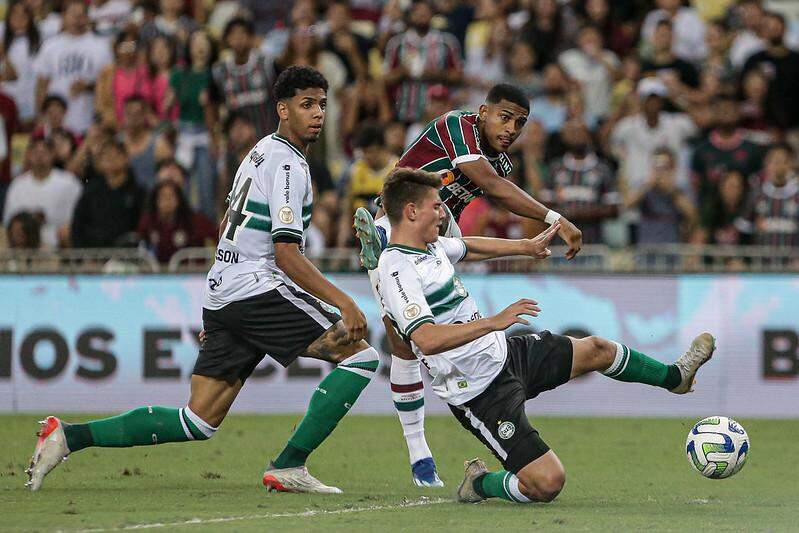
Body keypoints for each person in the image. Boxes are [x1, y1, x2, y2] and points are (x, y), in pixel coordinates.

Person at [27, 66, 380, 496]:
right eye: (307, 104)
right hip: (255, 286)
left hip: (225, 291)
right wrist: (345, 301)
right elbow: (287, 255)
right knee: (360, 358)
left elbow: (229, 224)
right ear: (282, 110)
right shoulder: (288, 164)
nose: (318, 114)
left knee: (197, 420)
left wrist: (225, 313)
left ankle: (68, 435)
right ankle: (289, 464)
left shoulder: (260, 152)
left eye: (322, 104)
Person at [375, 166, 715, 504]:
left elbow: (467, 247)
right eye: (436, 206)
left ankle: (675, 378)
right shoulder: (398, 269)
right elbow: (426, 339)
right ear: (411, 211)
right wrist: (493, 322)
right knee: (547, 483)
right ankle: (479, 484)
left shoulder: (431, 246)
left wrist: (525, 246)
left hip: (506, 355)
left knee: (597, 349)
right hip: (477, 392)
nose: (443, 212)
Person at [354, 83, 583, 487]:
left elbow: (492, 199)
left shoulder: (502, 163)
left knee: (411, 340)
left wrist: (526, 245)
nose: (511, 127)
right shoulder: (456, 126)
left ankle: (385, 244)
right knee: (404, 342)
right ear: (482, 112)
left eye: (520, 122)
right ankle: (419, 453)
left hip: (437, 232)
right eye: (504, 116)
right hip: (406, 219)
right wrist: (555, 218)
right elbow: (495, 188)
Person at [33, 0, 112, 134]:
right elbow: (41, 85)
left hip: (88, 122)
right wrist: (40, 116)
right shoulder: (50, 46)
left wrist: (87, 87)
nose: (76, 19)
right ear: (64, 16)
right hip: (55, 123)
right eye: (73, 15)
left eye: (80, 15)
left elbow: (108, 86)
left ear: (87, 17)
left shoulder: (101, 46)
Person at [3, 137, 82, 248]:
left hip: (58, 245)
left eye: (44, 152)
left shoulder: (69, 182)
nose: (39, 156)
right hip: (23, 246)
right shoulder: (17, 185)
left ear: (52, 154)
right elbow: (9, 221)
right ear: (29, 155)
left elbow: (78, 218)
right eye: (35, 152)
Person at [70, 140, 145, 248]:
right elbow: (77, 225)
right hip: (93, 254)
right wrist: (83, 255)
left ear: (126, 158)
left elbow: (141, 227)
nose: (111, 158)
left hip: (126, 255)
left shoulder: (138, 192)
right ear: (100, 162)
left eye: (116, 154)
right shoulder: (90, 191)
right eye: (106, 155)